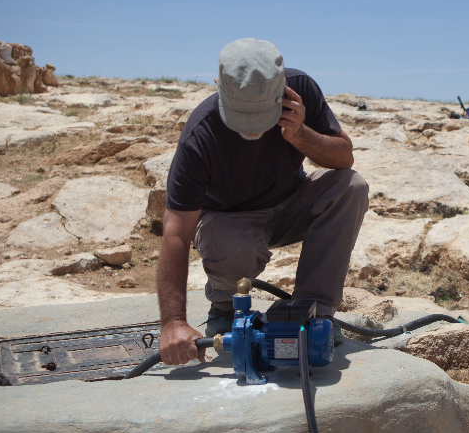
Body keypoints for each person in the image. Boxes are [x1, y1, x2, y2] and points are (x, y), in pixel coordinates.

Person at [158, 38, 369, 366]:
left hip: (291, 203)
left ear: (282, 88)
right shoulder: (200, 135)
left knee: (351, 187)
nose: (252, 128)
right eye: (240, 116)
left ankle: (316, 314)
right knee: (231, 244)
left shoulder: (301, 89)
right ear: (219, 86)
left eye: (260, 115)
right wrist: (173, 323)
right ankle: (225, 308)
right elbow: (175, 232)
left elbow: (344, 158)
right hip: (230, 220)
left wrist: (300, 134)